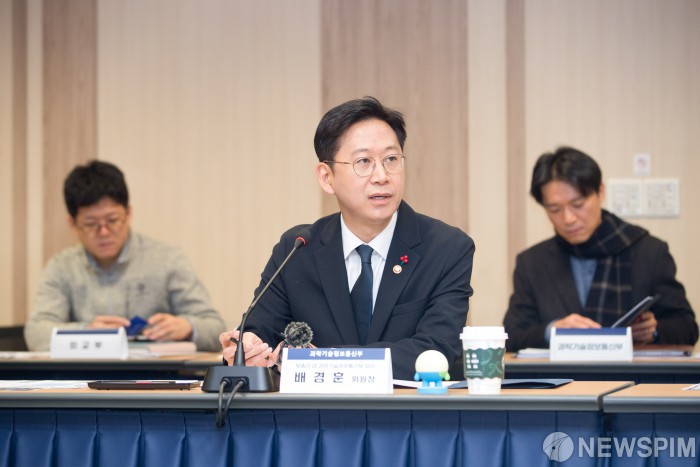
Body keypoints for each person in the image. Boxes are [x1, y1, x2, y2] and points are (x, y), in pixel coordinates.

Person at [219, 96, 474, 380]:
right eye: (363, 161)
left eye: (391, 159)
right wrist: (247, 348)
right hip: (315, 409)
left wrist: (321, 362)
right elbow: (260, 332)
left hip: (407, 407)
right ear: (327, 177)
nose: (381, 176)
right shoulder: (298, 249)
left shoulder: (446, 249)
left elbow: (436, 351)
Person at [503, 146, 698, 351]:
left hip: (632, 370)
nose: (568, 218)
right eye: (554, 209)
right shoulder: (532, 263)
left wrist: (654, 331)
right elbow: (511, 335)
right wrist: (552, 330)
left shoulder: (648, 252)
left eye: (578, 204)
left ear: (601, 192)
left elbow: (687, 327)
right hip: (560, 371)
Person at [24, 160, 226, 351]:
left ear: (128, 214)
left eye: (112, 220)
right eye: (90, 224)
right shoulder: (61, 266)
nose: (104, 232)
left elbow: (215, 328)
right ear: (73, 224)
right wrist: (86, 331)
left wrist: (188, 327)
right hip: (85, 372)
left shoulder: (167, 258)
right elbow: (35, 333)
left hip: (155, 372)